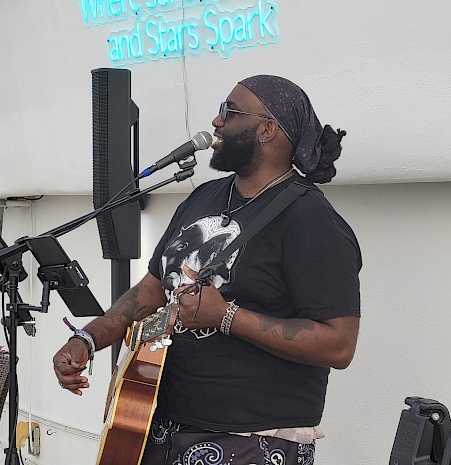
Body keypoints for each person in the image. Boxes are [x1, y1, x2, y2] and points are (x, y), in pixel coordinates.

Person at [53, 74, 361, 465]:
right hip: (156, 423)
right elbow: (151, 291)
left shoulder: (310, 220)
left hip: (251, 440)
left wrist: (226, 316)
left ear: (267, 130)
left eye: (229, 112)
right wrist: (88, 339)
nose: (216, 122)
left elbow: (339, 344)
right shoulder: (204, 197)